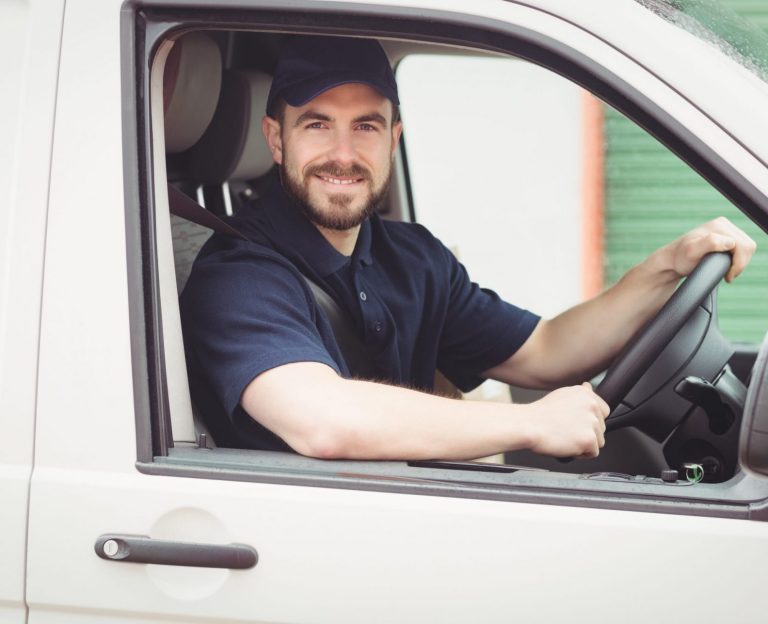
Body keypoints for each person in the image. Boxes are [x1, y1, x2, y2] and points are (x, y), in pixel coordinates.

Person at [180, 35, 756, 462]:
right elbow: (326, 421)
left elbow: (547, 350)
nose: (343, 153)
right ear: (276, 140)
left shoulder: (411, 256)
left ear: (392, 140)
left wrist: (663, 268)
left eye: (366, 127)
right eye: (316, 124)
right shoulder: (239, 275)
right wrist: (527, 424)